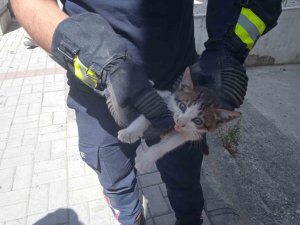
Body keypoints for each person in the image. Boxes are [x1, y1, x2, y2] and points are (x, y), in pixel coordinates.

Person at [11, 0, 282, 224]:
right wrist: (103, 66)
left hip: (180, 81)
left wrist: (229, 44)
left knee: (185, 183)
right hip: (98, 87)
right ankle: (131, 219)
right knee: (116, 181)